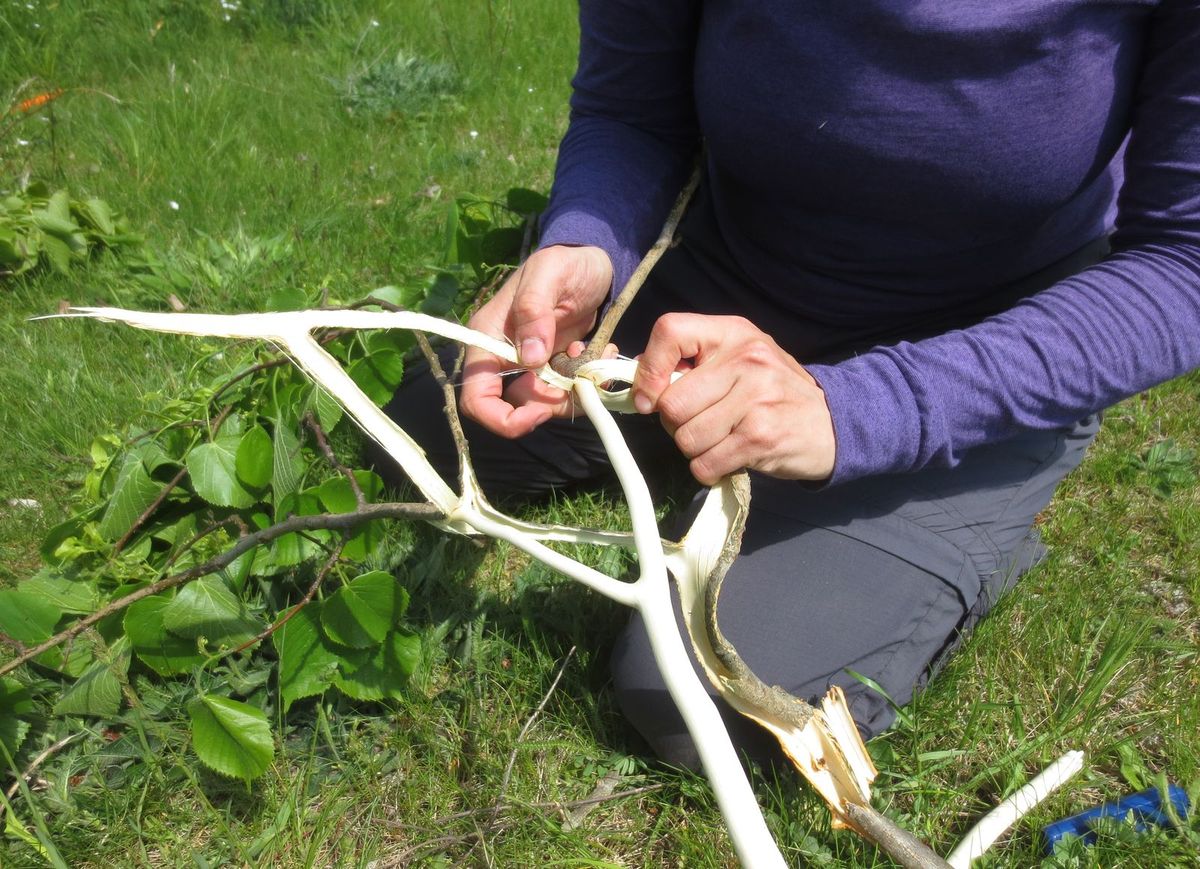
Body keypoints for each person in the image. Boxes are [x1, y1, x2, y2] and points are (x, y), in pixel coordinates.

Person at [381, 2, 1200, 770]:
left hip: (978, 347)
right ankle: (720, 456)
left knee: (694, 695)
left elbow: (1182, 263)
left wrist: (864, 412)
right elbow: (631, 112)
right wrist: (590, 243)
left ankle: (963, 512)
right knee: (417, 438)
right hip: (716, 286)